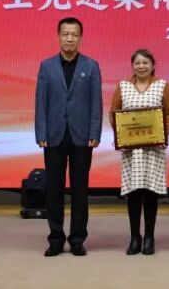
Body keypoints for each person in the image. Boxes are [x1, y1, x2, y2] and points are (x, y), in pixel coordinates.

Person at [34, 17, 102, 257]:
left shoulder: (91, 66)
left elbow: (96, 102)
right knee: (53, 189)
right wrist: (41, 132)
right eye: (65, 34)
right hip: (54, 136)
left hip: (82, 136)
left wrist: (95, 132)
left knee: (80, 189)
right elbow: (41, 101)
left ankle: (77, 239)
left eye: (74, 34)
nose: (70, 39)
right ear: (59, 36)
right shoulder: (47, 66)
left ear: (80, 37)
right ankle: (55, 238)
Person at [109, 49, 169, 256]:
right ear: (133, 66)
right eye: (137, 63)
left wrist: (163, 134)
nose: (141, 66)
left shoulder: (161, 85)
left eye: (145, 62)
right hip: (132, 151)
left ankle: (149, 237)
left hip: (154, 149)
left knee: (150, 194)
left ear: (153, 65)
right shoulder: (123, 86)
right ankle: (134, 237)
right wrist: (120, 135)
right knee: (134, 194)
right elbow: (113, 114)